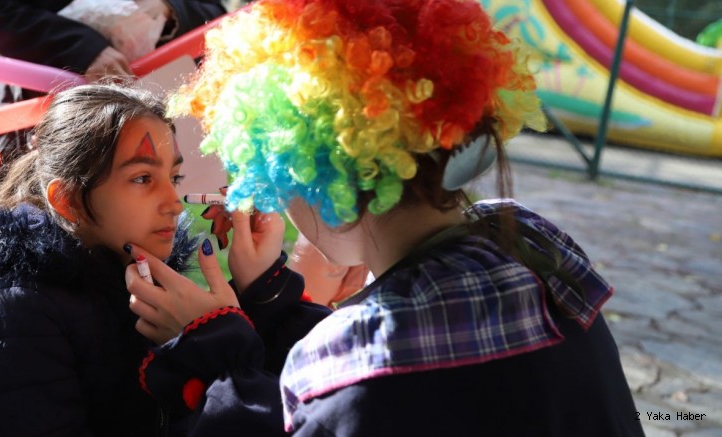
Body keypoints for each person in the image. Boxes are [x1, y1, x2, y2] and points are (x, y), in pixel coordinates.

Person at [125, 0, 644, 435]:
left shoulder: (347, 366)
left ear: (309, 169)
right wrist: (269, 293)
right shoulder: (537, 244)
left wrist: (210, 347)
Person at [0, 83, 211, 436]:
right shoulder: (18, 311)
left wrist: (255, 288)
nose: (174, 202)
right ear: (68, 200)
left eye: (174, 177)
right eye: (142, 178)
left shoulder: (142, 279)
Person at [0, 0, 226, 171]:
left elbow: (214, 13)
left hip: (145, 120)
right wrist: (83, 50)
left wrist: (169, 8)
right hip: (42, 115)